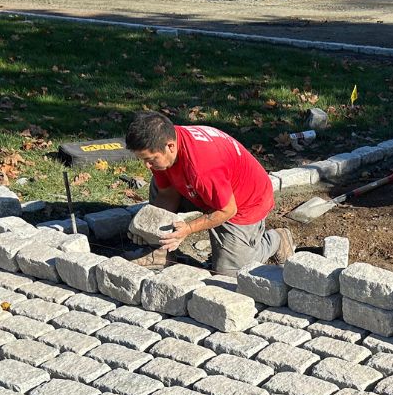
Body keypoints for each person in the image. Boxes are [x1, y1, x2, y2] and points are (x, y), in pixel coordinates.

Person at [124, 111, 294, 276]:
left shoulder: (201, 167)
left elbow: (227, 210)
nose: (147, 166)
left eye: (150, 159)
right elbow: (168, 193)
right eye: (144, 159)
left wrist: (188, 229)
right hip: (210, 189)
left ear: (170, 146)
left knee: (229, 272)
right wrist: (149, 228)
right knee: (158, 186)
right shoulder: (163, 144)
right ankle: (161, 252)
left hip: (246, 202)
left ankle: (277, 240)